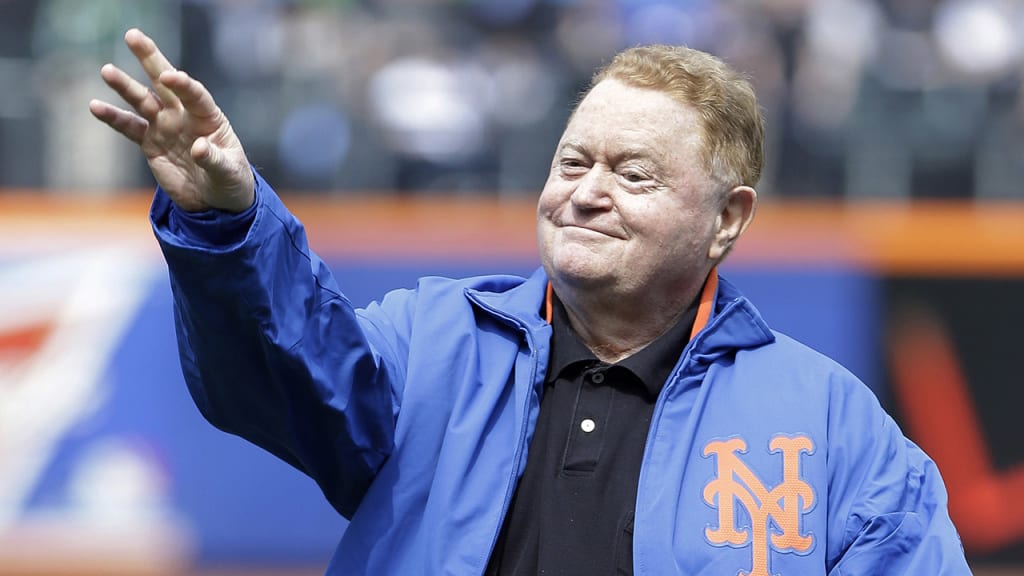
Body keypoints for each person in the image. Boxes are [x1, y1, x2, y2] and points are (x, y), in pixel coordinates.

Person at [89, 28, 971, 575]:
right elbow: (275, 372)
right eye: (572, 162)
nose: (586, 193)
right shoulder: (433, 343)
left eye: (633, 174)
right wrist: (227, 220)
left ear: (726, 220)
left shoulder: (832, 424)